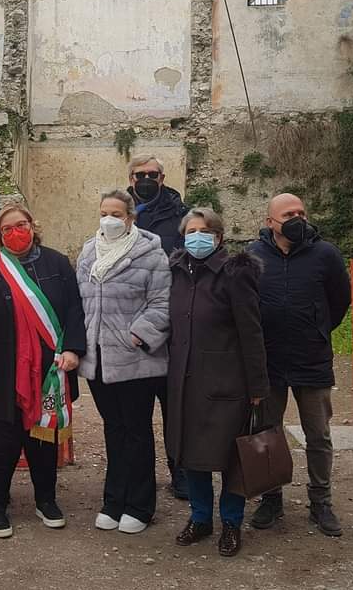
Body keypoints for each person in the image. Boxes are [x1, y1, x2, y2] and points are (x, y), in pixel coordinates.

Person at [0, 203, 86, 538]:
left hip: (48, 370)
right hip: (0, 371)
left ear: (33, 226)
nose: (16, 232)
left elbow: (75, 308)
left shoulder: (57, 263)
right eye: (7, 229)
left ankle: (46, 500)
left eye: (21, 225)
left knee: (44, 440)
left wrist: (73, 349)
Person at [247, 193, 352, 537]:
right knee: (266, 433)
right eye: (288, 214)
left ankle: (321, 501)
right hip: (269, 362)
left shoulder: (325, 254)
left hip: (312, 360)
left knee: (318, 435)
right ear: (270, 223)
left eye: (301, 213)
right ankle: (271, 498)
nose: (298, 219)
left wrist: (318, 328)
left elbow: (340, 300)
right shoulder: (253, 255)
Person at [166, 208, 268, 556]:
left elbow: (251, 332)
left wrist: (257, 387)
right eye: (190, 231)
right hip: (185, 382)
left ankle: (231, 522)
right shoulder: (177, 271)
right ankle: (200, 518)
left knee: (230, 455)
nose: (196, 237)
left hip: (227, 382)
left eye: (204, 231)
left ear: (219, 237)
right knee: (192, 454)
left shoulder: (235, 273)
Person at [76, 190, 170, 534]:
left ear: (131, 217)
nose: (109, 219)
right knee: (113, 429)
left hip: (135, 358)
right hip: (98, 359)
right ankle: (114, 500)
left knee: (137, 431)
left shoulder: (151, 254)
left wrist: (138, 335)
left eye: (116, 213)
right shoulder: (89, 252)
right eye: (104, 212)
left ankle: (140, 505)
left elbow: (162, 302)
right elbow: (80, 302)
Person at [127, 155, 189, 500]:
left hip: (173, 326)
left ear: (163, 178)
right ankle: (140, 479)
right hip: (133, 328)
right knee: (135, 412)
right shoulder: (120, 214)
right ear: (131, 178)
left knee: (175, 406)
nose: (147, 179)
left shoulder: (181, 216)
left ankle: (181, 472)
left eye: (153, 174)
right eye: (140, 175)